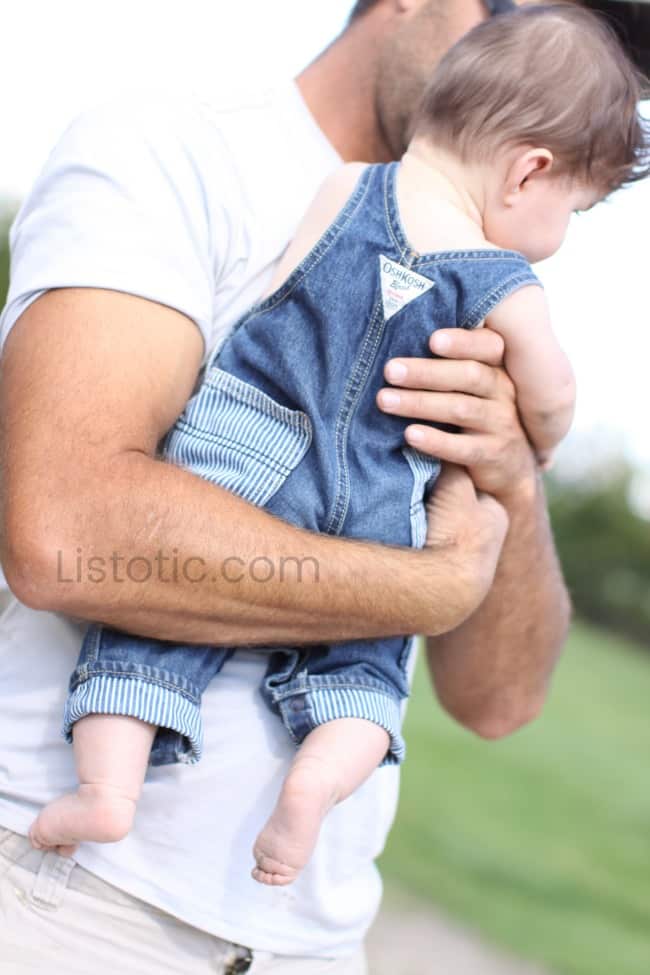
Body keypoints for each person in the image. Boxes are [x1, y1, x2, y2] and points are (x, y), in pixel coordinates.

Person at [0, 1, 576, 971]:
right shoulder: (176, 151)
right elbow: (63, 533)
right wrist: (427, 587)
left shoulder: (485, 277)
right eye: (510, 9)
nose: (536, 63)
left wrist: (511, 477)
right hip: (70, 908)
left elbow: (499, 703)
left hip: (311, 944)